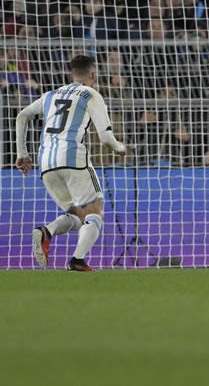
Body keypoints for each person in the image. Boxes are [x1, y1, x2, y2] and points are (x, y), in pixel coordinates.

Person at [14, 55, 127, 272]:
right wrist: (120, 147)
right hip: (73, 158)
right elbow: (105, 137)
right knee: (95, 212)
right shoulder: (91, 94)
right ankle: (77, 260)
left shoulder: (50, 95)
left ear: (70, 74)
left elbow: (22, 115)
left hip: (45, 164)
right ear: (93, 75)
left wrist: (22, 153)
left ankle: (46, 231)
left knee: (78, 215)